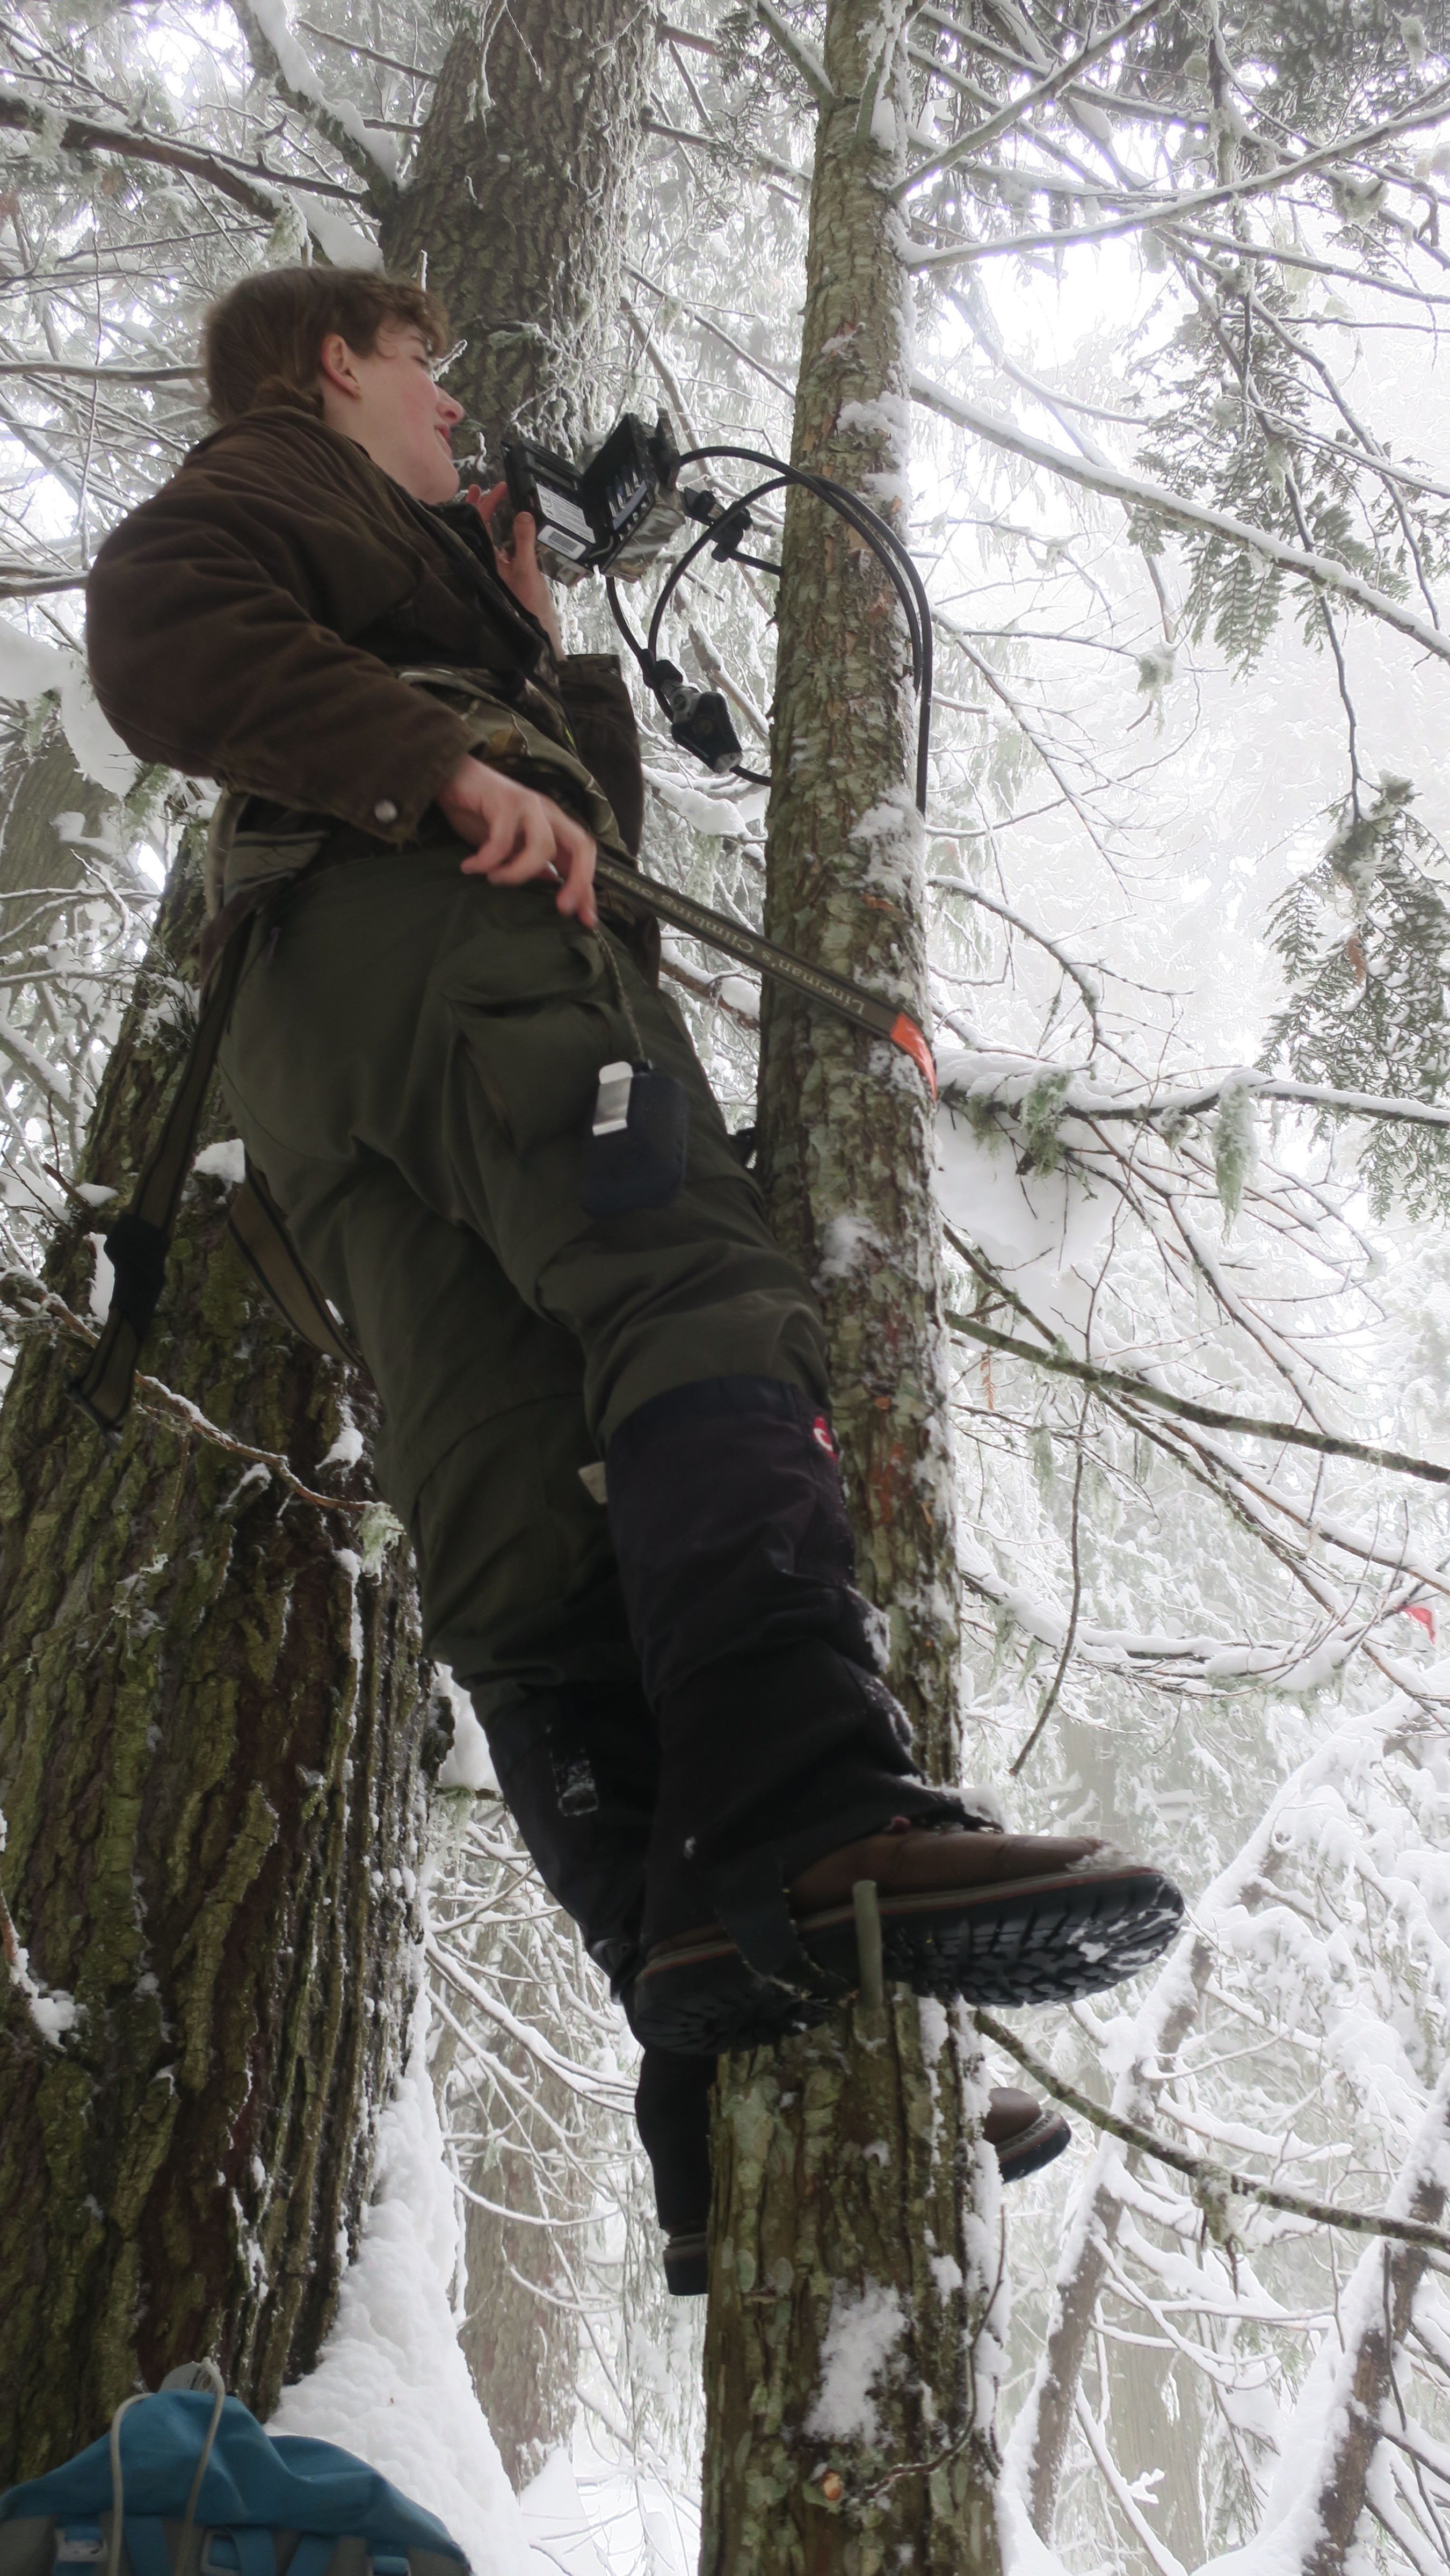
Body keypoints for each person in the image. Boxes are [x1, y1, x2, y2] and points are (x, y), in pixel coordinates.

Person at [84, 266, 1183, 2288]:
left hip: (337, 1046)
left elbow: (570, 827)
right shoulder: (277, 475)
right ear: (333, 366)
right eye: (425, 369)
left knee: (522, 1526)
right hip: (435, 946)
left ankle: (698, 2016)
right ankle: (807, 1807)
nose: (450, 406)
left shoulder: (391, 567)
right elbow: (156, 627)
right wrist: (444, 764)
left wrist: (529, 639)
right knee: (692, 1289)